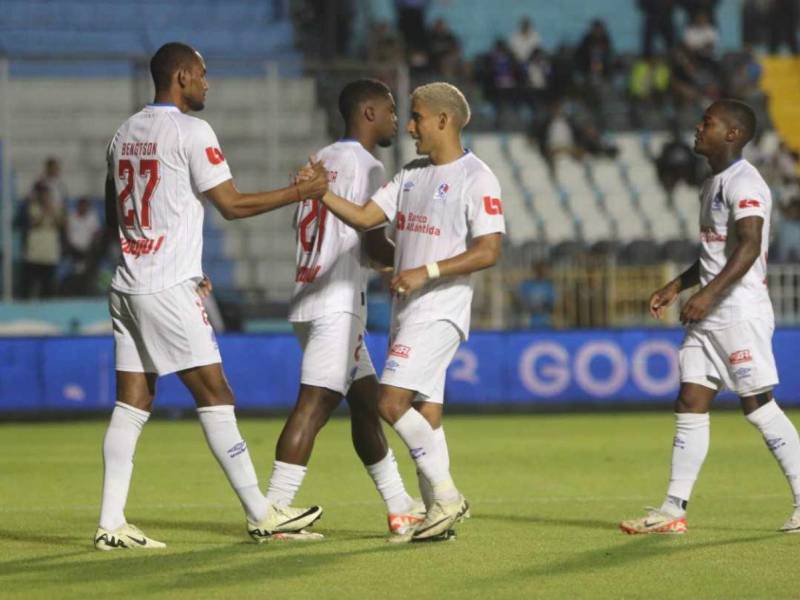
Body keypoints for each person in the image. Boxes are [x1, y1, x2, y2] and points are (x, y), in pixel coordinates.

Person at [95, 42, 328, 551]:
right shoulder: (191, 131)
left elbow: (114, 213)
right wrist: (299, 193)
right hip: (165, 286)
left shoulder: (123, 132)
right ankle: (262, 513)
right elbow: (232, 205)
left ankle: (111, 524)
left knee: (133, 401)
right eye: (202, 74)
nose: (208, 83)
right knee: (216, 394)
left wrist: (151, 248)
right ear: (181, 76)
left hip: (128, 282)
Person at [311, 82, 506, 541]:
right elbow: (363, 218)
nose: (410, 126)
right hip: (408, 311)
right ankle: (437, 519)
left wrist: (427, 270)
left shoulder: (478, 177)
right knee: (426, 415)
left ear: (444, 120)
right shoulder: (412, 173)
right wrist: (320, 193)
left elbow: (489, 249)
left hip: (440, 309)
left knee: (389, 401)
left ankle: (447, 497)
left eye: (417, 117)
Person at [620, 99, 800, 535]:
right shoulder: (712, 183)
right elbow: (714, 254)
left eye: (709, 123)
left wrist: (708, 295)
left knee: (757, 404)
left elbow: (749, 245)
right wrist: (678, 286)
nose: (699, 128)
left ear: (733, 134)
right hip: (711, 311)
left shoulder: (745, 181)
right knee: (691, 399)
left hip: (737, 310)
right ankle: (672, 510)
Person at [265, 79, 422, 539]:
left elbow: (313, 225)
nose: (397, 118)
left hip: (308, 294)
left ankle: (398, 506)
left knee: (365, 403)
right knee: (315, 404)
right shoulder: (368, 166)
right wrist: (421, 260)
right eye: (391, 110)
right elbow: (372, 237)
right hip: (335, 302)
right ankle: (273, 510)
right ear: (368, 113)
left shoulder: (321, 159)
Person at [20, 182, 63, 299]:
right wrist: (45, 210)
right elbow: (34, 223)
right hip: (35, 253)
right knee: (31, 285)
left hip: (49, 253)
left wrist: (53, 211)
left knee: (48, 287)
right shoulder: (32, 206)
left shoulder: (54, 207)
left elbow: (61, 225)